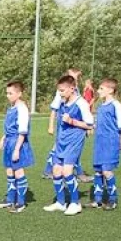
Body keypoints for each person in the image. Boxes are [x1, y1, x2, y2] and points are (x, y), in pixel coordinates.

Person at [43, 75, 94, 216]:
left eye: (62, 90)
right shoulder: (62, 101)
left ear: (72, 89)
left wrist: (72, 121)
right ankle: (60, 202)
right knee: (56, 171)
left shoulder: (81, 103)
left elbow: (90, 124)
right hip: (61, 141)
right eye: (59, 91)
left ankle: (75, 203)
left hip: (74, 142)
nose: (60, 93)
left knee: (67, 171)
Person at [0, 81, 34, 213]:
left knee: (18, 171)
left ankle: (20, 203)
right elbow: (10, 126)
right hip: (9, 141)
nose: (8, 96)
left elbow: (22, 130)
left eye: (10, 93)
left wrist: (17, 149)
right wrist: (3, 138)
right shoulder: (11, 107)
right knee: (9, 170)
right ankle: (10, 199)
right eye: (7, 93)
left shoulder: (22, 108)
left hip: (17, 142)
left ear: (19, 94)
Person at [44, 68, 91, 182]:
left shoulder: (75, 91)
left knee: (71, 152)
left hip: (75, 130)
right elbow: (54, 109)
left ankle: (77, 173)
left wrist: (86, 126)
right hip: (64, 129)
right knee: (58, 149)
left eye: (77, 75)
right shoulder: (62, 92)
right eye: (73, 75)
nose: (76, 77)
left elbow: (84, 115)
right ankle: (48, 170)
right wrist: (51, 125)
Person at [86, 78, 121, 210]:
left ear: (110, 90)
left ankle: (113, 199)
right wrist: (92, 128)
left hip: (110, 142)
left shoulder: (117, 106)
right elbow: (99, 123)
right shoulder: (100, 106)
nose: (98, 91)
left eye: (101, 89)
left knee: (107, 171)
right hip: (100, 143)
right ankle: (97, 200)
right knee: (98, 171)